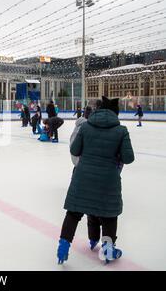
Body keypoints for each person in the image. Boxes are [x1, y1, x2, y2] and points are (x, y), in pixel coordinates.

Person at [57, 96, 135, 265]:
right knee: (109, 215)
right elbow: (129, 158)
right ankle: (107, 250)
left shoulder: (85, 126)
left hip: (82, 177)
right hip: (108, 180)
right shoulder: (121, 131)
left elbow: (75, 149)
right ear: (116, 113)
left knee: (73, 213)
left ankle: (63, 245)